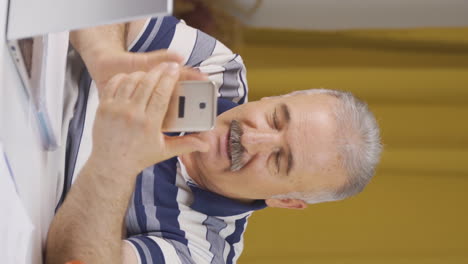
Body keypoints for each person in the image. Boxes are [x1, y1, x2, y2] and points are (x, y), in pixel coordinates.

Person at [46, 15, 382, 264]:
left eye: (278, 159)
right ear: (274, 97)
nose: (251, 138)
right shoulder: (217, 68)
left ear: (285, 201)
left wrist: (114, 166)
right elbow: (107, 10)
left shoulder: (205, 251)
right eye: (275, 118)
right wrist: (104, 54)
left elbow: (72, 259)